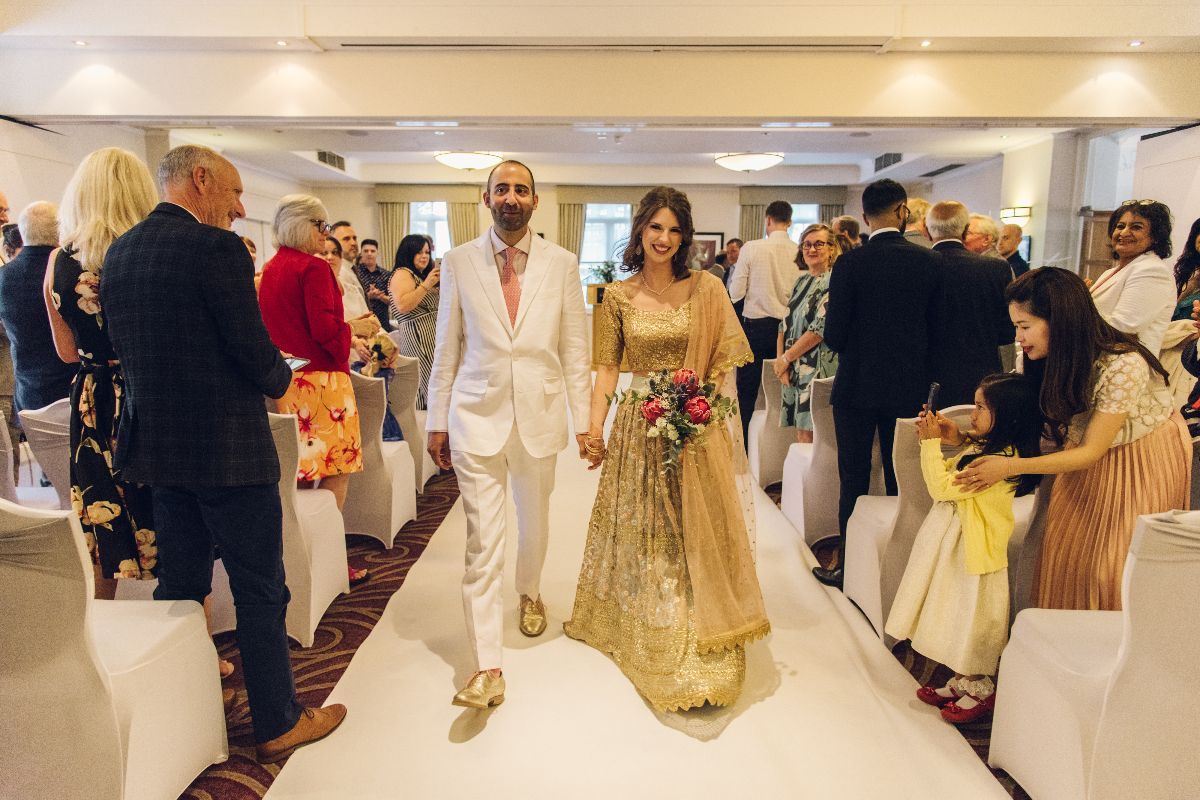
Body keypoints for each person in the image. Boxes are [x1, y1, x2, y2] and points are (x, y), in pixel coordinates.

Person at [102, 144, 346, 762]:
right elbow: (248, 344)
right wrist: (282, 379)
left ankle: (183, 704)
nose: (240, 208)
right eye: (235, 193)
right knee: (261, 588)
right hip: (228, 451)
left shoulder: (121, 252)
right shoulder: (217, 249)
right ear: (200, 179)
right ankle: (277, 720)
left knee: (181, 586)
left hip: (160, 450)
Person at [565, 186, 769, 711]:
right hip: (638, 424)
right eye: (656, 227)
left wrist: (706, 416)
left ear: (685, 237)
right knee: (644, 526)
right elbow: (607, 369)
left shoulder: (706, 288)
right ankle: (646, 616)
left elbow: (723, 363)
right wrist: (594, 429)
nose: (665, 238)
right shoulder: (614, 297)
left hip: (692, 423)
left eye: (675, 230)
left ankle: (698, 620)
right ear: (640, 231)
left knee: (694, 525)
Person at [425, 160, 592, 709]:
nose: (511, 197)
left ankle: (530, 591)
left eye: (521, 189)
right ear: (486, 198)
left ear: (535, 201)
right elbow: (447, 346)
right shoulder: (458, 262)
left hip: (538, 417)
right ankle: (487, 668)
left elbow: (575, 350)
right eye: (502, 189)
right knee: (482, 541)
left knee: (534, 524)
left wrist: (585, 422)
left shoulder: (562, 263)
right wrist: (436, 419)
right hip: (476, 416)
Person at [958, 267, 1191, 611]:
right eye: (1015, 327)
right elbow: (1031, 424)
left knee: (1111, 565)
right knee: (1068, 553)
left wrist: (1009, 467)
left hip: (1139, 457)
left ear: (1061, 320)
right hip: (1079, 457)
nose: (1018, 337)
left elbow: (1091, 451)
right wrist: (961, 434)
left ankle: (1111, 641)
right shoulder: (1043, 358)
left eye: (1024, 326)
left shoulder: (1123, 364)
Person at [886, 373, 1042, 725]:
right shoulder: (987, 448)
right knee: (956, 614)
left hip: (975, 554)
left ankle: (980, 688)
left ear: (1007, 415)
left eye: (981, 407)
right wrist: (954, 439)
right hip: (958, 547)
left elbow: (941, 488)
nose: (973, 414)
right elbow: (952, 471)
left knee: (974, 622)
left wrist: (930, 444)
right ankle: (961, 681)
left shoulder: (996, 463)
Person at [42, 147, 158, 604]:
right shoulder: (148, 254)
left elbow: (66, 352)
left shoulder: (59, 260)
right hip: (147, 390)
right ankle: (195, 630)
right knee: (166, 507)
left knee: (100, 506)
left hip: (93, 396)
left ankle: (101, 619)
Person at [815, 179, 942, 588]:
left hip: (857, 384)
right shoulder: (929, 261)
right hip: (908, 385)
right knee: (902, 477)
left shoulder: (851, 263)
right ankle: (902, 568)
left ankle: (849, 568)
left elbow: (834, 335)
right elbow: (937, 328)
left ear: (865, 217)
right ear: (903, 211)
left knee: (853, 475)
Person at [257, 195, 369, 586]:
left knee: (300, 480)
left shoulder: (271, 268)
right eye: (320, 225)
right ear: (301, 225)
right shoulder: (314, 268)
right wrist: (352, 331)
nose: (325, 233)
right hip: (324, 384)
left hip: (288, 380)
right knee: (337, 475)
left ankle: (299, 561)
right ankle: (331, 561)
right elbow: (325, 330)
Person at [926, 201, 1014, 407]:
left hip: (928, 378)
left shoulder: (918, 267)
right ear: (965, 231)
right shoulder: (996, 269)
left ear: (929, 233)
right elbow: (1007, 332)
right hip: (981, 377)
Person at [729, 200, 799, 444]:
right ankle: (781, 445)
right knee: (784, 391)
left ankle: (746, 448)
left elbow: (736, 291)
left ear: (767, 220)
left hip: (756, 330)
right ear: (789, 222)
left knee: (747, 393)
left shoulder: (752, 248)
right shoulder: (798, 250)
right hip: (790, 333)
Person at [0, 202, 77, 420]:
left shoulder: (4, 276)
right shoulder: (69, 270)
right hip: (71, 392)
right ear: (60, 229)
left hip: (28, 397)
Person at [774, 223, 840, 442]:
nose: (812, 249)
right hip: (793, 365)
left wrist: (786, 358)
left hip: (817, 366)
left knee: (812, 433)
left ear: (831, 248)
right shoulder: (800, 281)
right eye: (807, 244)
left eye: (819, 244)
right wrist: (781, 363)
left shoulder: (835, 281)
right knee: (801, 432)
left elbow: (819, 329)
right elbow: (784, 324)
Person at [1089, 200, 1176, 358]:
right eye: (1120, 226)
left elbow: (1124, 328)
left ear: (1155, 237)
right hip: (1098, 358)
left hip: (1126, 365)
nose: (1124, 233)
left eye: (1136, 227)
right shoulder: (1110, 272)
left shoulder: (1152, 270)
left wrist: (1074, 307)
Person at [388, 233, 440, 410]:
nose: (424, 256)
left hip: (429, 336)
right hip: (417, 335)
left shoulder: (420, 275)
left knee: (433, 381)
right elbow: (403, 305)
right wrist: (427, 284)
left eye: (427, 252)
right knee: (425, 382)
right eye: (419, 252)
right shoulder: (403, 273)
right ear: (408, 253)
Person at [355, 238, 393, 332]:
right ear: (361, 253)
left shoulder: (386, 274)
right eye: (366, 251)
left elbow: (393, 301)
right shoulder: (355, 273)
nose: (369, 254)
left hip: (383, 323)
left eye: (372, 251)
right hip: (362, 323)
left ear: (377, 253)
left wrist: (381, 296)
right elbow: (351, 300)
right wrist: (368, 296)